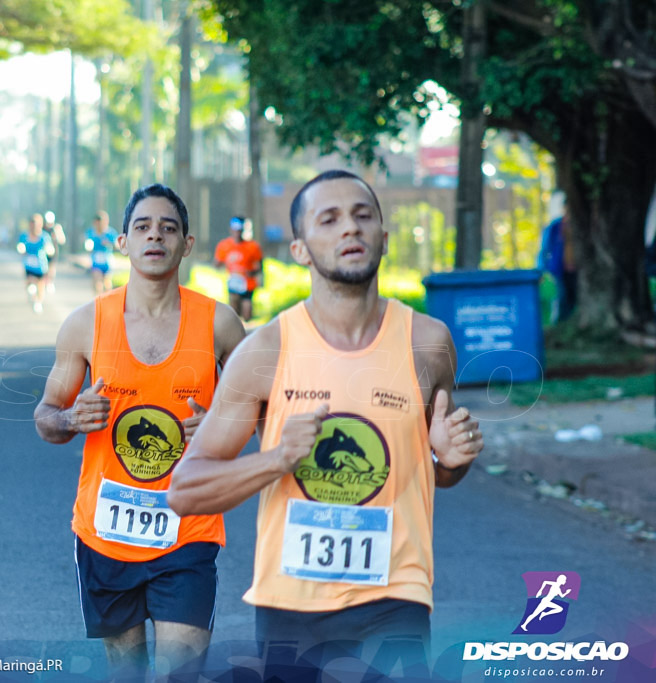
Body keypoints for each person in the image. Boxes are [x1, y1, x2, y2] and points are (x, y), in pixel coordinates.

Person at [168, 170, 484, 675]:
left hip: (396, 593)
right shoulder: (265, 351)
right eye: (329, 219)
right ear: (299, 248)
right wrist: (277, 459)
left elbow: (433, 472)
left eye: (363, 217)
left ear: (384, 234)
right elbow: (185, 491)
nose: (350, 230)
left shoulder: (428, 342)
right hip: (291, 604)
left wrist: (449, 461)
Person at [33, 184, 246, 678]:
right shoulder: (85, 324)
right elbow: (46, 416)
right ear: (123, 242)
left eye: (168, 228)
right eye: (143, 227)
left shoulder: (220, 325)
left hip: (188, 529)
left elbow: (263, 410)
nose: (156, 236)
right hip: (105, 533)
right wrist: (70, 418)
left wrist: (222, 426)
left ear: (186, 244)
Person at [213, 216, 264, 321]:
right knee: (233, 308)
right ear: (231, 230)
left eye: (239, 230)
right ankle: (235, 331)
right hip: (233, 281)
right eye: (235, 230)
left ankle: (246, 328)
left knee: (247, 311)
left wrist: (253, 273)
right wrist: (224, 264)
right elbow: (217, 263)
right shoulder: (224, 245)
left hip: (247, 284)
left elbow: (260, 266)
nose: (237, 233)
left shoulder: (252, 246)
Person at [537, 205, 577, 321]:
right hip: (560, 269)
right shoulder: (555, 227)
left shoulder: (580, 226)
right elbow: (544, 249)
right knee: (562, 297)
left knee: (575, 297)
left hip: (577, 269)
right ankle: (563, 322)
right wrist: (541, 269)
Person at [17, 214, 55, 314]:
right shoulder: (24, 236)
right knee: (30, 283)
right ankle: (33, 298)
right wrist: (21, 249)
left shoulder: (44, 237)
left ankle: (38, 301)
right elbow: (21, 247)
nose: (34, 226)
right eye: (32, 224)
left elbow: (49, 248)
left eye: (36, 224)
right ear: (30, 224)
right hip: (29, 266)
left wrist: (49, 250)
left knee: (40, 286)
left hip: (41, 266)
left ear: (40, 224)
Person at [85, 210, 120, 295]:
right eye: (98, 221)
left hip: (107, 259)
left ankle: (106, 302)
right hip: (96, 260)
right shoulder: (91, 232)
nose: (100, 224)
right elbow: (87, 244)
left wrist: (109, 243)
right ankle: (98, 302)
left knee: (107, 283)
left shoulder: (110, 233)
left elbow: (117, 245)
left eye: (102, 221)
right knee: (97, 282)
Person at [42, 210, 67, 294]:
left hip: (53, 250)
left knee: (51, 267)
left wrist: (57, 234)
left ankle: (50, 282)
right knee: (44, 267)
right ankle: (44, 282)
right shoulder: (42, 228)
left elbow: (62, 240)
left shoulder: (56, 228)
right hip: (43, 251)